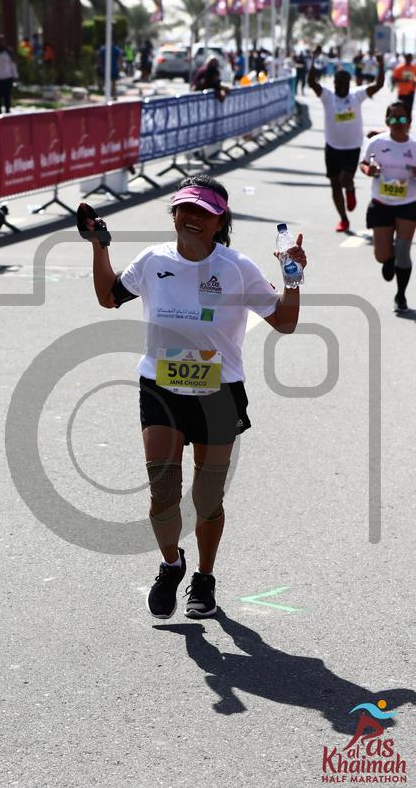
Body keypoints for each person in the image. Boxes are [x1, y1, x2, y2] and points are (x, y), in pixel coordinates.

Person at [79, 174, 307, 620]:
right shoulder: (153, 260)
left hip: (218, 393)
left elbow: (284, 322)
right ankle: (171, 565)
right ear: (174, 214)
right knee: (163, 491)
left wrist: (292, 280)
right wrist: (99, 246)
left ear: (221, 221)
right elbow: (109, 296)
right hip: (160, 388)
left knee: (207, 498)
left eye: (204, 212)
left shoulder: (237, 267)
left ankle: (204, 577)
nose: (192, 218)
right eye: (185, 208)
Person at [308, 47, 385, 232]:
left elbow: (379, 84)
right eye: (339, 83)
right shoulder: (327, 96)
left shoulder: (356, 95)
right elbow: (311, 82)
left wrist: (381, 65)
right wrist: (314, 58)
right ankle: (343, 219)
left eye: (345, 83)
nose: (342, 86)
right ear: (334, 83)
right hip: (332, 146)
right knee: (335, 185)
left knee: (344, 179)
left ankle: (350, 189)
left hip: (352, 147)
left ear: (350, 83)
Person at [360, 101, 416, 312]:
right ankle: (389, 259)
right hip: (381, 203)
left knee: (403, 249)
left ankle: (401, 296)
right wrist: (368, 170)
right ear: (387, 121)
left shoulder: (414, 146)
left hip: (408, 203)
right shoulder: (376, 142)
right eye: (393, 118)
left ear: (409, 121)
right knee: (382, 256)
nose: (397, 123)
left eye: (402, 119)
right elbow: (364, 163)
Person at [392, 53, 416, 118]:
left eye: (410, 58)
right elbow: (394, 80)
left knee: (409, 108)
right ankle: (402, 120)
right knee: (401, 109)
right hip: (402, 92)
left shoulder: (414, 67)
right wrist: (403, 81)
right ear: (405, 58)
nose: (409, 60)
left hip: (411, 91)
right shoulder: (399, 67)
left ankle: (408, 121)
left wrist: (414, 82)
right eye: (408, 58)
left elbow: (414, 78)